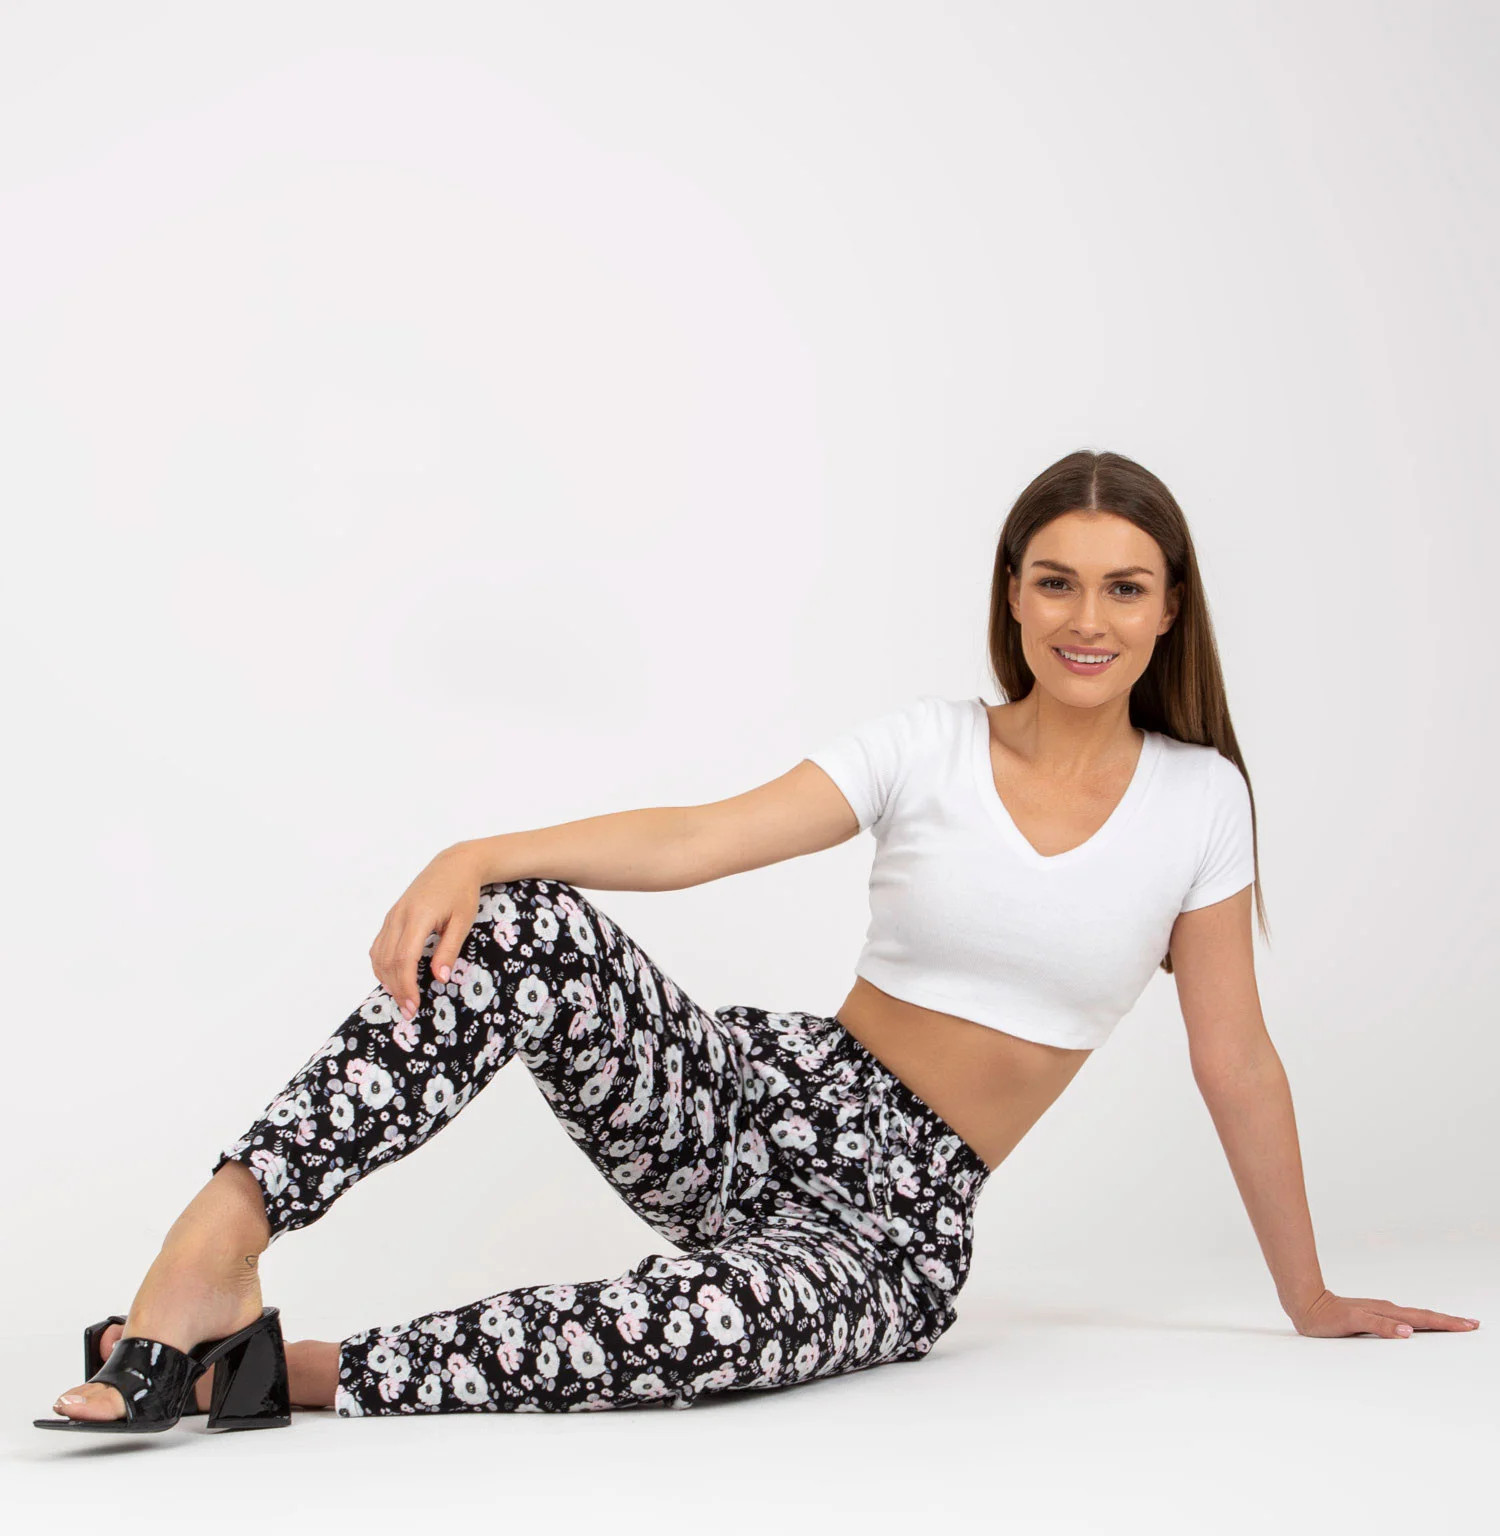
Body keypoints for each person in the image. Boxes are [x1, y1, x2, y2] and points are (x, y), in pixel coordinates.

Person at [38, 449, 1479, 1434]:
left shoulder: (1199, 802)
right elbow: (698, 839)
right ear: (1012, 595)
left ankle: (268, 1375)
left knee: (707, 1334)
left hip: (893, 1221)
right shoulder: (928, 746)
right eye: (1056, 581)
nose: (1086, 618)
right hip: (762, 1100)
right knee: (523, 925)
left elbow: (1237, 1060)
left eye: (1123, 586)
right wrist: (479, 853)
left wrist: (1308, 1295)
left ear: (1169, 610)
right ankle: (208, 1256)